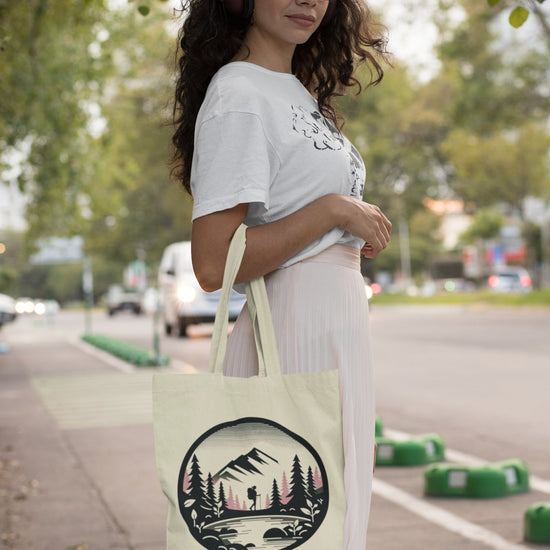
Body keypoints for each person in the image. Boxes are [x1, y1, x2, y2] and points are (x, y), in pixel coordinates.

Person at [171, 0, 391, 545]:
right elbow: (212, 263)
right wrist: (333, 212)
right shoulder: (238, 94)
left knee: (331, 521)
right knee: (304, 525)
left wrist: (344, 227)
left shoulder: (291, 90)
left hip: (335, 326)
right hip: (292, 332)